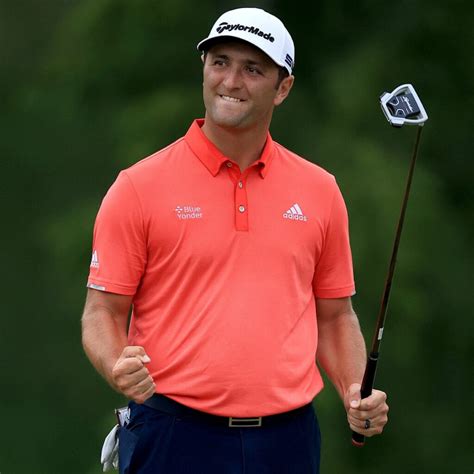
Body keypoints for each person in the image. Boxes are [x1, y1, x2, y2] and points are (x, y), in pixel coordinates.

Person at [82, 7, 389, 474]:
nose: (231, 80)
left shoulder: (319, 190)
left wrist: (353, 390)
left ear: (282, 87)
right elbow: (102, 311)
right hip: (172, 432)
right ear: (203, 70)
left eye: (253, 68)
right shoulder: (138, 186)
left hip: (287, 440)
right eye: (220, 61)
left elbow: (335, 315)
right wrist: (114, 363)